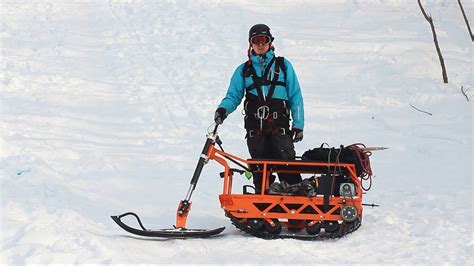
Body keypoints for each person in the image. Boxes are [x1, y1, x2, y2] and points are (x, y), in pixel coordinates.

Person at [214, 24, 304, 193]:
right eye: (256, 41)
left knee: (287, 168)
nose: (261, 44)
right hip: (255, 128)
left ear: (270, 42)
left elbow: (295, 96)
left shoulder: (283, 66)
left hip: (280, 127)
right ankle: (262, 212)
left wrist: (298, 124)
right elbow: (233, 96)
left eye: (264, 40)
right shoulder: (243, 70)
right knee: (260, 173)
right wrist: (222, 109)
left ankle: (298, 209)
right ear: (251, 44)